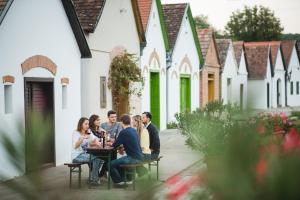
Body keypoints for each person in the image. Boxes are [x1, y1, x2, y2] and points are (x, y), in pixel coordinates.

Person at [109, 114, 143, 186]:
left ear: (121, 122)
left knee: (110, 164)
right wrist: (121, 147)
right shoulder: (133, 130)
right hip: (140, 157)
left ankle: (118, 182)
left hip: (133, 158)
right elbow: (130, 143)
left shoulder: (123, 132)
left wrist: (109, 143)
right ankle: (126, 179)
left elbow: (115, 145)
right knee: (119, 162)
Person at [72, 117, 104, 185]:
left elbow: (95, 138)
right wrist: (81, 138)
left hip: (85, 154)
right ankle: (94, 179)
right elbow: (75, 146)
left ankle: (92, 178)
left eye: (88, 124)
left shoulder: (88, 131)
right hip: (77, 155)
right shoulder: (76, 133)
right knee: (98, 158)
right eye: (86, 124)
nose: (87, 126)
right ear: (81, 124)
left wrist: (96, 141)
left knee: (100, 158)